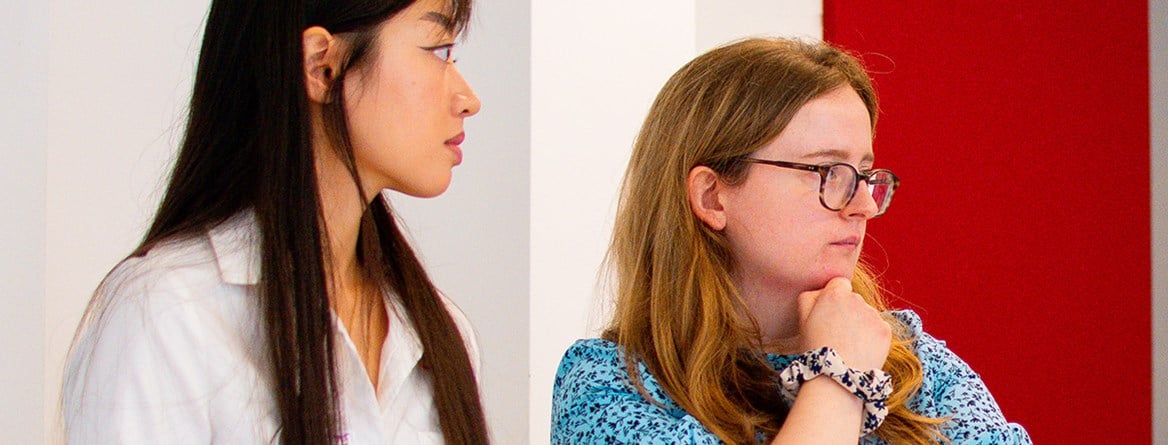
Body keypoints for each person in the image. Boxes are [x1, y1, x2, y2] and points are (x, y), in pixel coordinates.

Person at [550, 38, 1031, 444]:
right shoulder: (611, 387)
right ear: (713, 196)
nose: (862, 204)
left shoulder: (920, 368)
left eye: (865, 174)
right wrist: (839, 378)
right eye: (827, 171)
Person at [62, 0, 489, 443]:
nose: (468, 99)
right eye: (439, 49)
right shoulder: (168, 314)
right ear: (322, 66)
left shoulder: (440, 334)